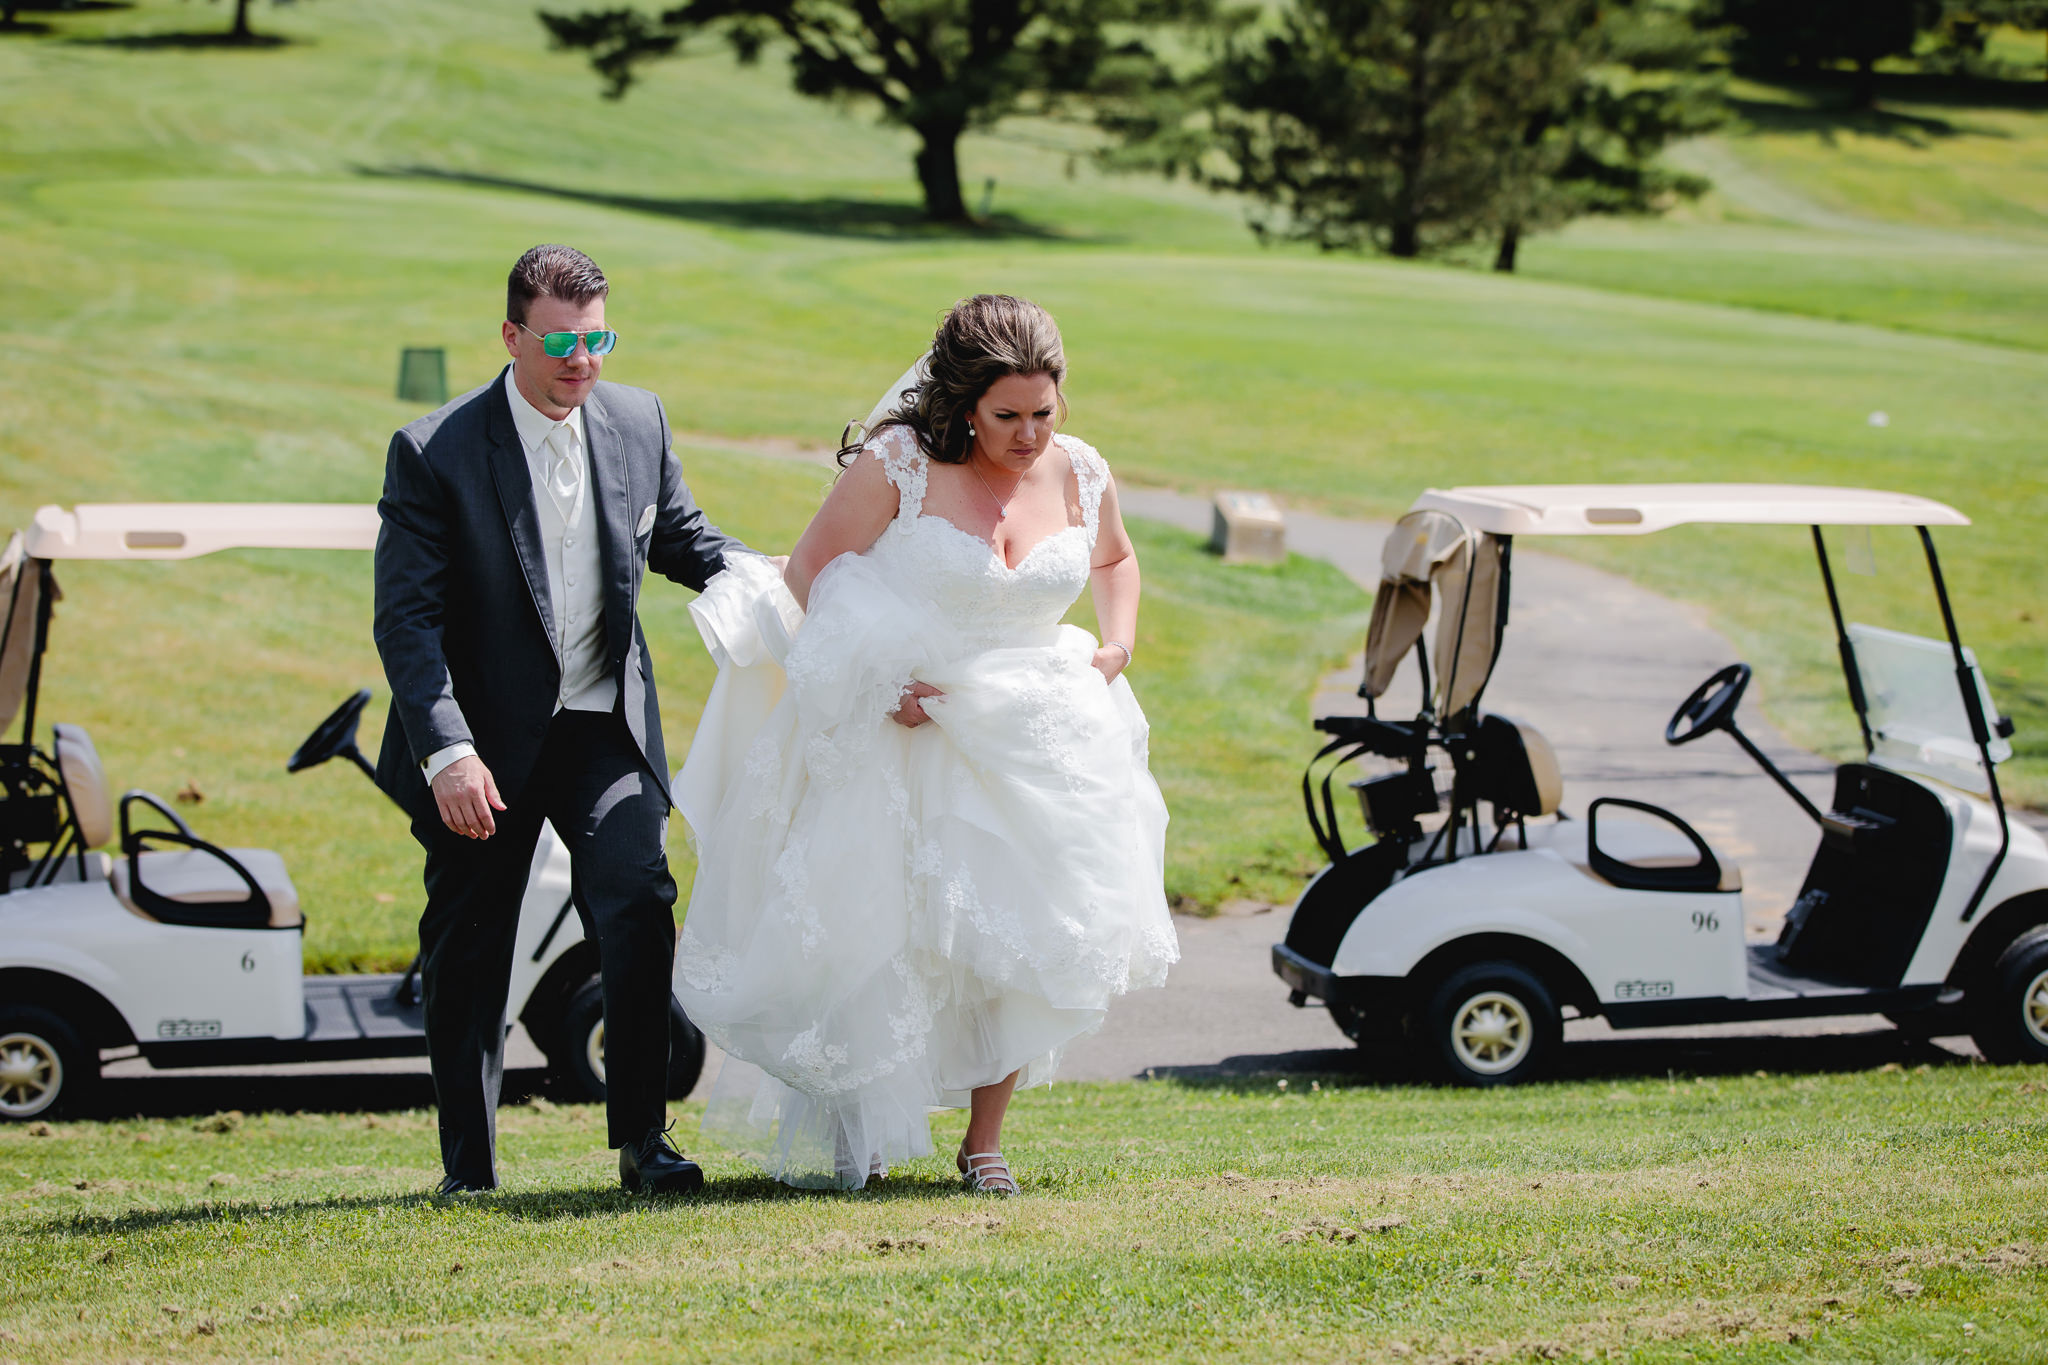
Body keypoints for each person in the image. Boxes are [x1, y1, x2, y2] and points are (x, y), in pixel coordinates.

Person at [672, 294, 1178, 1193]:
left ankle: (985, 1141)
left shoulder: (1081, 471)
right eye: (1006, 416)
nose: (1027, 435)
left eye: (1043, 413)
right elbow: (810, 569)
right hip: (903, 724)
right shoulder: (900, 463)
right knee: (887, 930)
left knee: (1017, 937)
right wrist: (875, 681)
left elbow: (1114, 558)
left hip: (1029, 731)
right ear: (963, 402)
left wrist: (1117, 643)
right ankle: (860, 1125)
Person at [374, 244, 748, 1195]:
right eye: (562, 341)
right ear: (512, 335)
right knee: (471, 947)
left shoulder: (636, 419)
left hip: (603, 730)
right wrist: (446, 750)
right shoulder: (435, 451)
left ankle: (644, 1143)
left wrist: (777, 579)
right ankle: (470, 1167)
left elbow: (679, 535)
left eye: (598, 338)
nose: (583, 360)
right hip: (482, 742)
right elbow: (406, 621)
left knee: (636, 901)